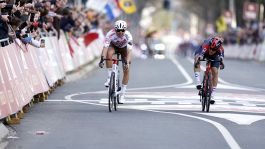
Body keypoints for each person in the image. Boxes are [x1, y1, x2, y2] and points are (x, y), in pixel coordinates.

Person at [98, 20, 133, 103]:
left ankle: (122, 95)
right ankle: (110, 77)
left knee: (126, 69)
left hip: (124, 49)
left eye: (122, 30)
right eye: (118, 30)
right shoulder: (110, 34)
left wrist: (127, 62)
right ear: (115, 30)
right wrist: (102, 59)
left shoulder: (128, 36)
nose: (120, 32)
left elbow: (129, 51)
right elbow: (105, 48)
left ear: (125, 30)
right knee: (109, 54)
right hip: (113, 47)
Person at [194, 36, 225, 104]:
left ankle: (213, 94)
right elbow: (201, 54)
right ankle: (198, 81)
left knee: (215, 71)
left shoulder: (221, 49)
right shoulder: (207, 45)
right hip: (204, 52)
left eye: (213, 50)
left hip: (215, 56)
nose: (211, 51)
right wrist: (198, 59)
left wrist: (221, 63)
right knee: (197, 58)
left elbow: (222, 59)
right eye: (211, 49)